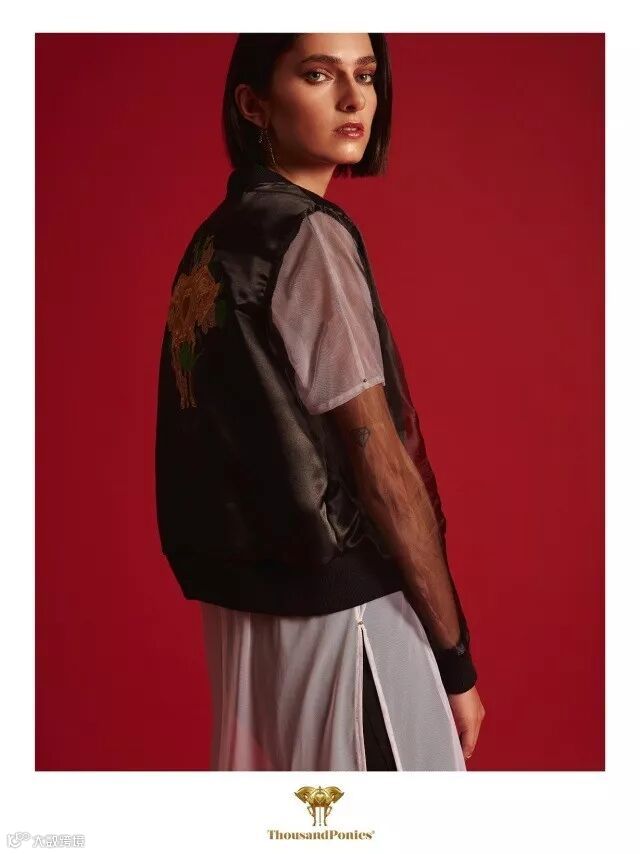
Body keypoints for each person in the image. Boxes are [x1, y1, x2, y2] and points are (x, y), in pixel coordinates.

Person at [155, 33, 486, 771]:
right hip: (344, 608)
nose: (353, 98)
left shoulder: (215, 240)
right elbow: (381, 466)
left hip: (250, 612)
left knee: (305, 821)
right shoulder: (309, 234)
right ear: (253, 104)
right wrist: (454, 659)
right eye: (317, 74)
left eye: (365, 75)